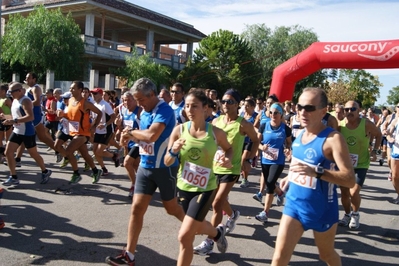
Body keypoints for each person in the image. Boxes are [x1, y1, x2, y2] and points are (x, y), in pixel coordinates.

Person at [271, 87, 356, 265]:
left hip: (322, 211)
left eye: (309, 108)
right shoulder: (300, 135)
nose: (303, 112)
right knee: (279, 258)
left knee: (326, 255)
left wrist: (318, 172)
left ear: (323, 111)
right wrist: (289, 176)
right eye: (299, 107)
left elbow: (349, 179)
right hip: (294, 206)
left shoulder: (333, 139)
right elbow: (298, 166)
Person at [105, 78, 185, 265]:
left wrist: (131, 133)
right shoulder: (145, 110)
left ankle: (203, 229)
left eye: (141, 100)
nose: (139, 104)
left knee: (171, 209)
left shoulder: (164, 110)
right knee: (136, 209)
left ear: (151, 95)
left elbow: (151, 135)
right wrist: (128, 138)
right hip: (145, 167)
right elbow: (143, 138)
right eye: (137, 100)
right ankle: (129, 255)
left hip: (165, 169)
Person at [164, 89, 233, 266]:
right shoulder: (179, 130)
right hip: (184, 187)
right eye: (187, 106)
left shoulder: (216, 133)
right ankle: (217, 234)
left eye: (194, 106)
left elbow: (229, 149)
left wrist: (227, 160)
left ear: (205, 108)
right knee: (196, 226)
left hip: (206, 188)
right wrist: (173, 151)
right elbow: (167, 160)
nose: (189, 110)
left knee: (185, 236)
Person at [194, 89, 259, 255]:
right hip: (214, 167)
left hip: (232, 169)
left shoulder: (243, 124)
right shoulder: (216, 121)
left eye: (230, 102)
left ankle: (209, 241)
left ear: (237, 105)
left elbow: (255, 139)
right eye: (223, 101)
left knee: (216, 203)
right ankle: (233, 214)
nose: (225, 104)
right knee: (219, 201)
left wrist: (248, 159)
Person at [338, 100, 382, 229]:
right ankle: (347, 214)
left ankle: (355, 214)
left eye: (353, 109)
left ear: (359, 110)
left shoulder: (366, 124)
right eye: (347, 110)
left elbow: (378, 135)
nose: (349, 112)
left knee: (354, 191)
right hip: (344, 164)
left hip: (361, 163)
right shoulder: (340, 126)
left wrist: (375, 150)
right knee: (345, 193)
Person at [1, 82, 52, 186]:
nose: (10, 94)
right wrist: (6, 117)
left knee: (34, 154)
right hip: (17, 131)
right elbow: (15, 115)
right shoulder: (15, 100)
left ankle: (45, 171)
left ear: (20, 91)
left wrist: (13, 121)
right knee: (8, 152)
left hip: (27, 132)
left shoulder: (26, 101)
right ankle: (13, 176)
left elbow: (30, 117)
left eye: (12, 92)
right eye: (9, 92)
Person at [55, 81, 103, 184]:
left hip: (83, 133)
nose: (70, 90)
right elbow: (70, 116)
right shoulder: (71, 100)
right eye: (70, 88)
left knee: (68, 151)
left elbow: (99, 113)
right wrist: (62, 114)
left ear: (80, 90)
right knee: (85, 155)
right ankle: (96, 171)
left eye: (73, 88)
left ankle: (76, 174)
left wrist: (94, 126)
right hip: (73, 132)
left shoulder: (85, 103)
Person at [255, 103, 292, 224]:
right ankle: (280, 193)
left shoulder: (285, 128)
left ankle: (265, 212)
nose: (273, 115)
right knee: (269, 183)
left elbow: (289, 143)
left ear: (281, 114)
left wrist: (287, 149)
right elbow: (257, 142)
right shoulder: (264, 125)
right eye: (271, 112)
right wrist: (262, 147)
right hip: (265, 160)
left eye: (276, 113)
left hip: (278, 161)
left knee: (270, 183)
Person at [12, 73, 56, 166]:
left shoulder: (36, 88)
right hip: (32, 116)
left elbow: (37, 102)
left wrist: (24, 104)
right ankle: (18, 158)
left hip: (35, 117)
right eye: (26, 78)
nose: (26, 79)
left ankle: (60, 151)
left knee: (42, 137)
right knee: (25, 137)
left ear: (34, 79)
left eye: (28, 78)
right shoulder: (29, 89)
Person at [90, 88, 119, 176]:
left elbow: (113, 117)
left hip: (107, 130)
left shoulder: (105, 105)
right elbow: (95, 118)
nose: (93, 96)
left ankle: (114, 155)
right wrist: (93, 127)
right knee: (95, 151)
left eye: (95, 94)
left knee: (99, 151)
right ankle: (104, 169)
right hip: (98, 131)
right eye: (92, 94)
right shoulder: (94, 104)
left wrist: (105, 125)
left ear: (100, 94)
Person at [118, 91, 142, 198]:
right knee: (136, 165)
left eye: (128, 100)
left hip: (138, 142)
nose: (125, 102)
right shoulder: (123, 111)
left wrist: (132, 131)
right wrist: (119, 127)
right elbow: (123, 128)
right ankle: (142, 185)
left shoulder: (139, 111)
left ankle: (134, 185)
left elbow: (144, 129)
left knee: (127, 163)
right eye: (123, 100)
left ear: (134, 100)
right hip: (129, 142)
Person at [239, 98, 258, 188]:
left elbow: (258, 130)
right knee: (241, 161)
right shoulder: (242, 115)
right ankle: (244, 177)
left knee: (243, 160)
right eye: (244, 105)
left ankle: (245, 179)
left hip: (250, 141)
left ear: (253, 107)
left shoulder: (256, 116)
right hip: (241, 140)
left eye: (247, 106)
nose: (245, 107)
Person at [386, 105, 399, 203]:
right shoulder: (395, 121)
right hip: (396, 151)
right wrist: (389, 137)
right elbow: (389, 133)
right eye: (398, 106)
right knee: (395, 176)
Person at [0, 84, 13, 151]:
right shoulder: (0, 99)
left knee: (7, 139)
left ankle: (9, 153)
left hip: (7, 121)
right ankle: (2, 153)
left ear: (3, 91)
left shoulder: (7, 99)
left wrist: (10, 120)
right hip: (0, 121)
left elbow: (12, 110)